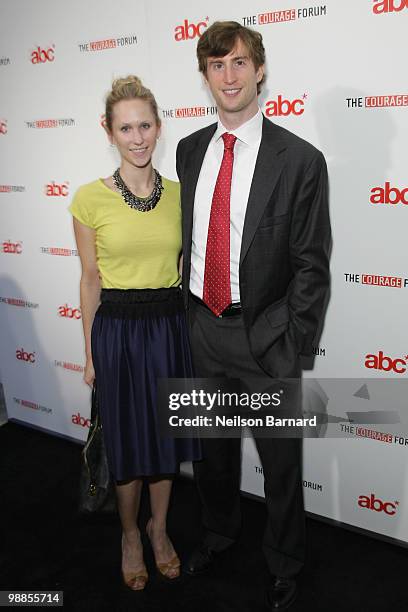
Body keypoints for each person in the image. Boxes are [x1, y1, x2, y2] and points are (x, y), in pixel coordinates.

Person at [176, 21, 331, 610]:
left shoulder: (300, 159)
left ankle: (287, 559)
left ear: (260, 70)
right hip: (201, 328)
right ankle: (218, 533)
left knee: (281, 464)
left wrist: (292, 339)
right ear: (206, 76)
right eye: (217, 66)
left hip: (265, 336)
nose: (230, 76)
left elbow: (312, 265)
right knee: (212, 455)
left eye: (240, 62)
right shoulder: (191, 150)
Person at [70, 76, 201, 591]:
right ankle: (129, 535)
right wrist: (89, 354)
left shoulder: (179, 195)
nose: (138, 136)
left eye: (145, 124)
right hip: (118, 333)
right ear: (109, 131)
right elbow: (89, 279)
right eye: (126, 127)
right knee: (127, 450)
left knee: (166, 444)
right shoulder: (87, 199)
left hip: (170, 329)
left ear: (159, 127)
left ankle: (159, 529)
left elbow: (189, 265)